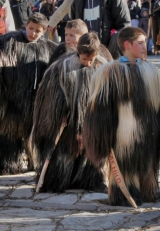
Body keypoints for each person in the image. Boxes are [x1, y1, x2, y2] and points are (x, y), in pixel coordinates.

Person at [82, 27, 160, 206]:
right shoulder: (109, 72)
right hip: (122, 135)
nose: (145, 46)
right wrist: (103, 135)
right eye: (140, 43)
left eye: (144, 42)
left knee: (149, 164)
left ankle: (149, 190)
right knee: (125, 167)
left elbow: (159, 105)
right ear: (127, 44)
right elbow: (99, 109)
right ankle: (123, 195)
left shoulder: (151, 71)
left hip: (149, 133)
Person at [0, 13, 57, 176]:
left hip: (35, 102)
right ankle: (6, 164)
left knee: (36, 134)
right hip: (10, 101)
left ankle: (36, 162)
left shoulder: (49, 48)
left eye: (38, 31)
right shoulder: (7, 41)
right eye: (31, 28)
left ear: (44, 31)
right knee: (8, 134)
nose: (33, 33)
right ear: (26, 25)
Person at [32, 32, 108, 193]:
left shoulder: (103, 67)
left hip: (92, 120)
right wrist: (59, 113)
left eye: (91, 60)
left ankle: (90, 180)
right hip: (67, 121)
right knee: (64, 150)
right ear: (78, 52)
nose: (87, 63)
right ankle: (58, 179)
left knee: (90, 152)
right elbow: (52, 95)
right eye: (84, 59)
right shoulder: (63, 68)